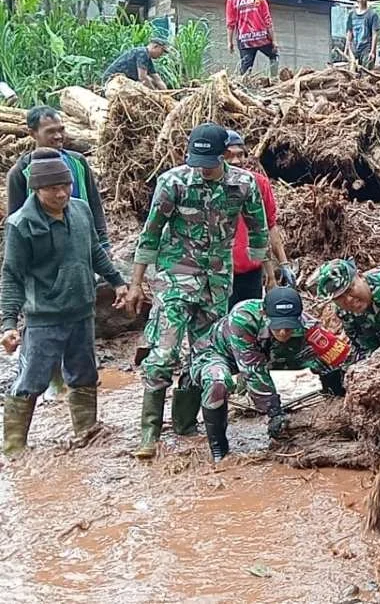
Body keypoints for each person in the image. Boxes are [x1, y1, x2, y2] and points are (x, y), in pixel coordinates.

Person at [125, 122, 269, 459]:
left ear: (224, 155)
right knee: (164, 352)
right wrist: (135, 283)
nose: (201, 169)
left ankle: (185, 424)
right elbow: (149, 235)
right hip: (176, 278)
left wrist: (268, 277)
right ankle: (149, 434)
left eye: (208, 163)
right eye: (196, 162)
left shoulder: (243, 184)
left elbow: (259, 233)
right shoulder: (172, 182)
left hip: (217, 284)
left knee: (205, 355)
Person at [1, 150, 128, 455]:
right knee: (33, 378)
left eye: (66, 186)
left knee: (84, 374)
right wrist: (8, 323)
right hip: (44, 317)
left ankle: (86, 433)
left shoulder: (81, 210)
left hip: (82, 311)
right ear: (36, 189)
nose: (61, 194)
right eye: (53, 189)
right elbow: (12, 275)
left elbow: (95, 251)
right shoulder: (21, 224)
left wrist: (117, 281)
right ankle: (13, 447)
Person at [192, 287, 351, 461]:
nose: (283, 332)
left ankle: (336, 404)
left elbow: (338, 354)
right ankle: (218, 448)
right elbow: (254, 372)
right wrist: (275, 412)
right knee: (218, 382)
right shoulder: (243, 318)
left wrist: (342, 386)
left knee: (325, 359)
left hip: (266, 352)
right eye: (278, 325)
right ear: (265, 314)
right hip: (218, 354)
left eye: (289, 326)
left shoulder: (308, 325)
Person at [8, 106, 109, 253]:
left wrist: (104, 241)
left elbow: (94, 202)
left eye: (61, 129)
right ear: (32, 133)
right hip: (44, 249)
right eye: (50, 131)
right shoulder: (21, 172)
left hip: (82, 241)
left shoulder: (78, 162)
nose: (58, 136)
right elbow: (15, 221)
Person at [224, 130, 294, 306]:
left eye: (240, 155)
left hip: (252, 272)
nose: (236, 161)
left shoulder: (258, 183)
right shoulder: (209, 188)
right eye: (228, 156)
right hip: (220, 274)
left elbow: (269, 226)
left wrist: (282, 265)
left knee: (250, 322)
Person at [226, 0, 279, 77]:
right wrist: (274, 40)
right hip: (262, 37)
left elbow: (231, 24)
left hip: (245, 39)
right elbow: (268, 21)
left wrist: (229, 42)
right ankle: (274, 80)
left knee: (245, 69)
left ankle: (244, 88)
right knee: (274, 56)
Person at [101, 38, 169, 90]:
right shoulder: (142, 53)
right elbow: (142, 78)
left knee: (151, 81)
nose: (162, 54)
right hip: (112, 81)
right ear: (155, 46)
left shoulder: (148, 59)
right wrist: (154, 93)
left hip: (123, 82)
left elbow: (158, 80)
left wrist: (167, 94)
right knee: (145, 84)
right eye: (162, 51)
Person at [345, 0, 380, 68]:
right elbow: (349, 32)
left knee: (366, 74)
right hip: (354, 48)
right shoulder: (351, 15)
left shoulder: (372, 15)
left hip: (366, 49)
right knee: (353, 74)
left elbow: (375, 33)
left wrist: (373, 51)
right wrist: (346, 49)